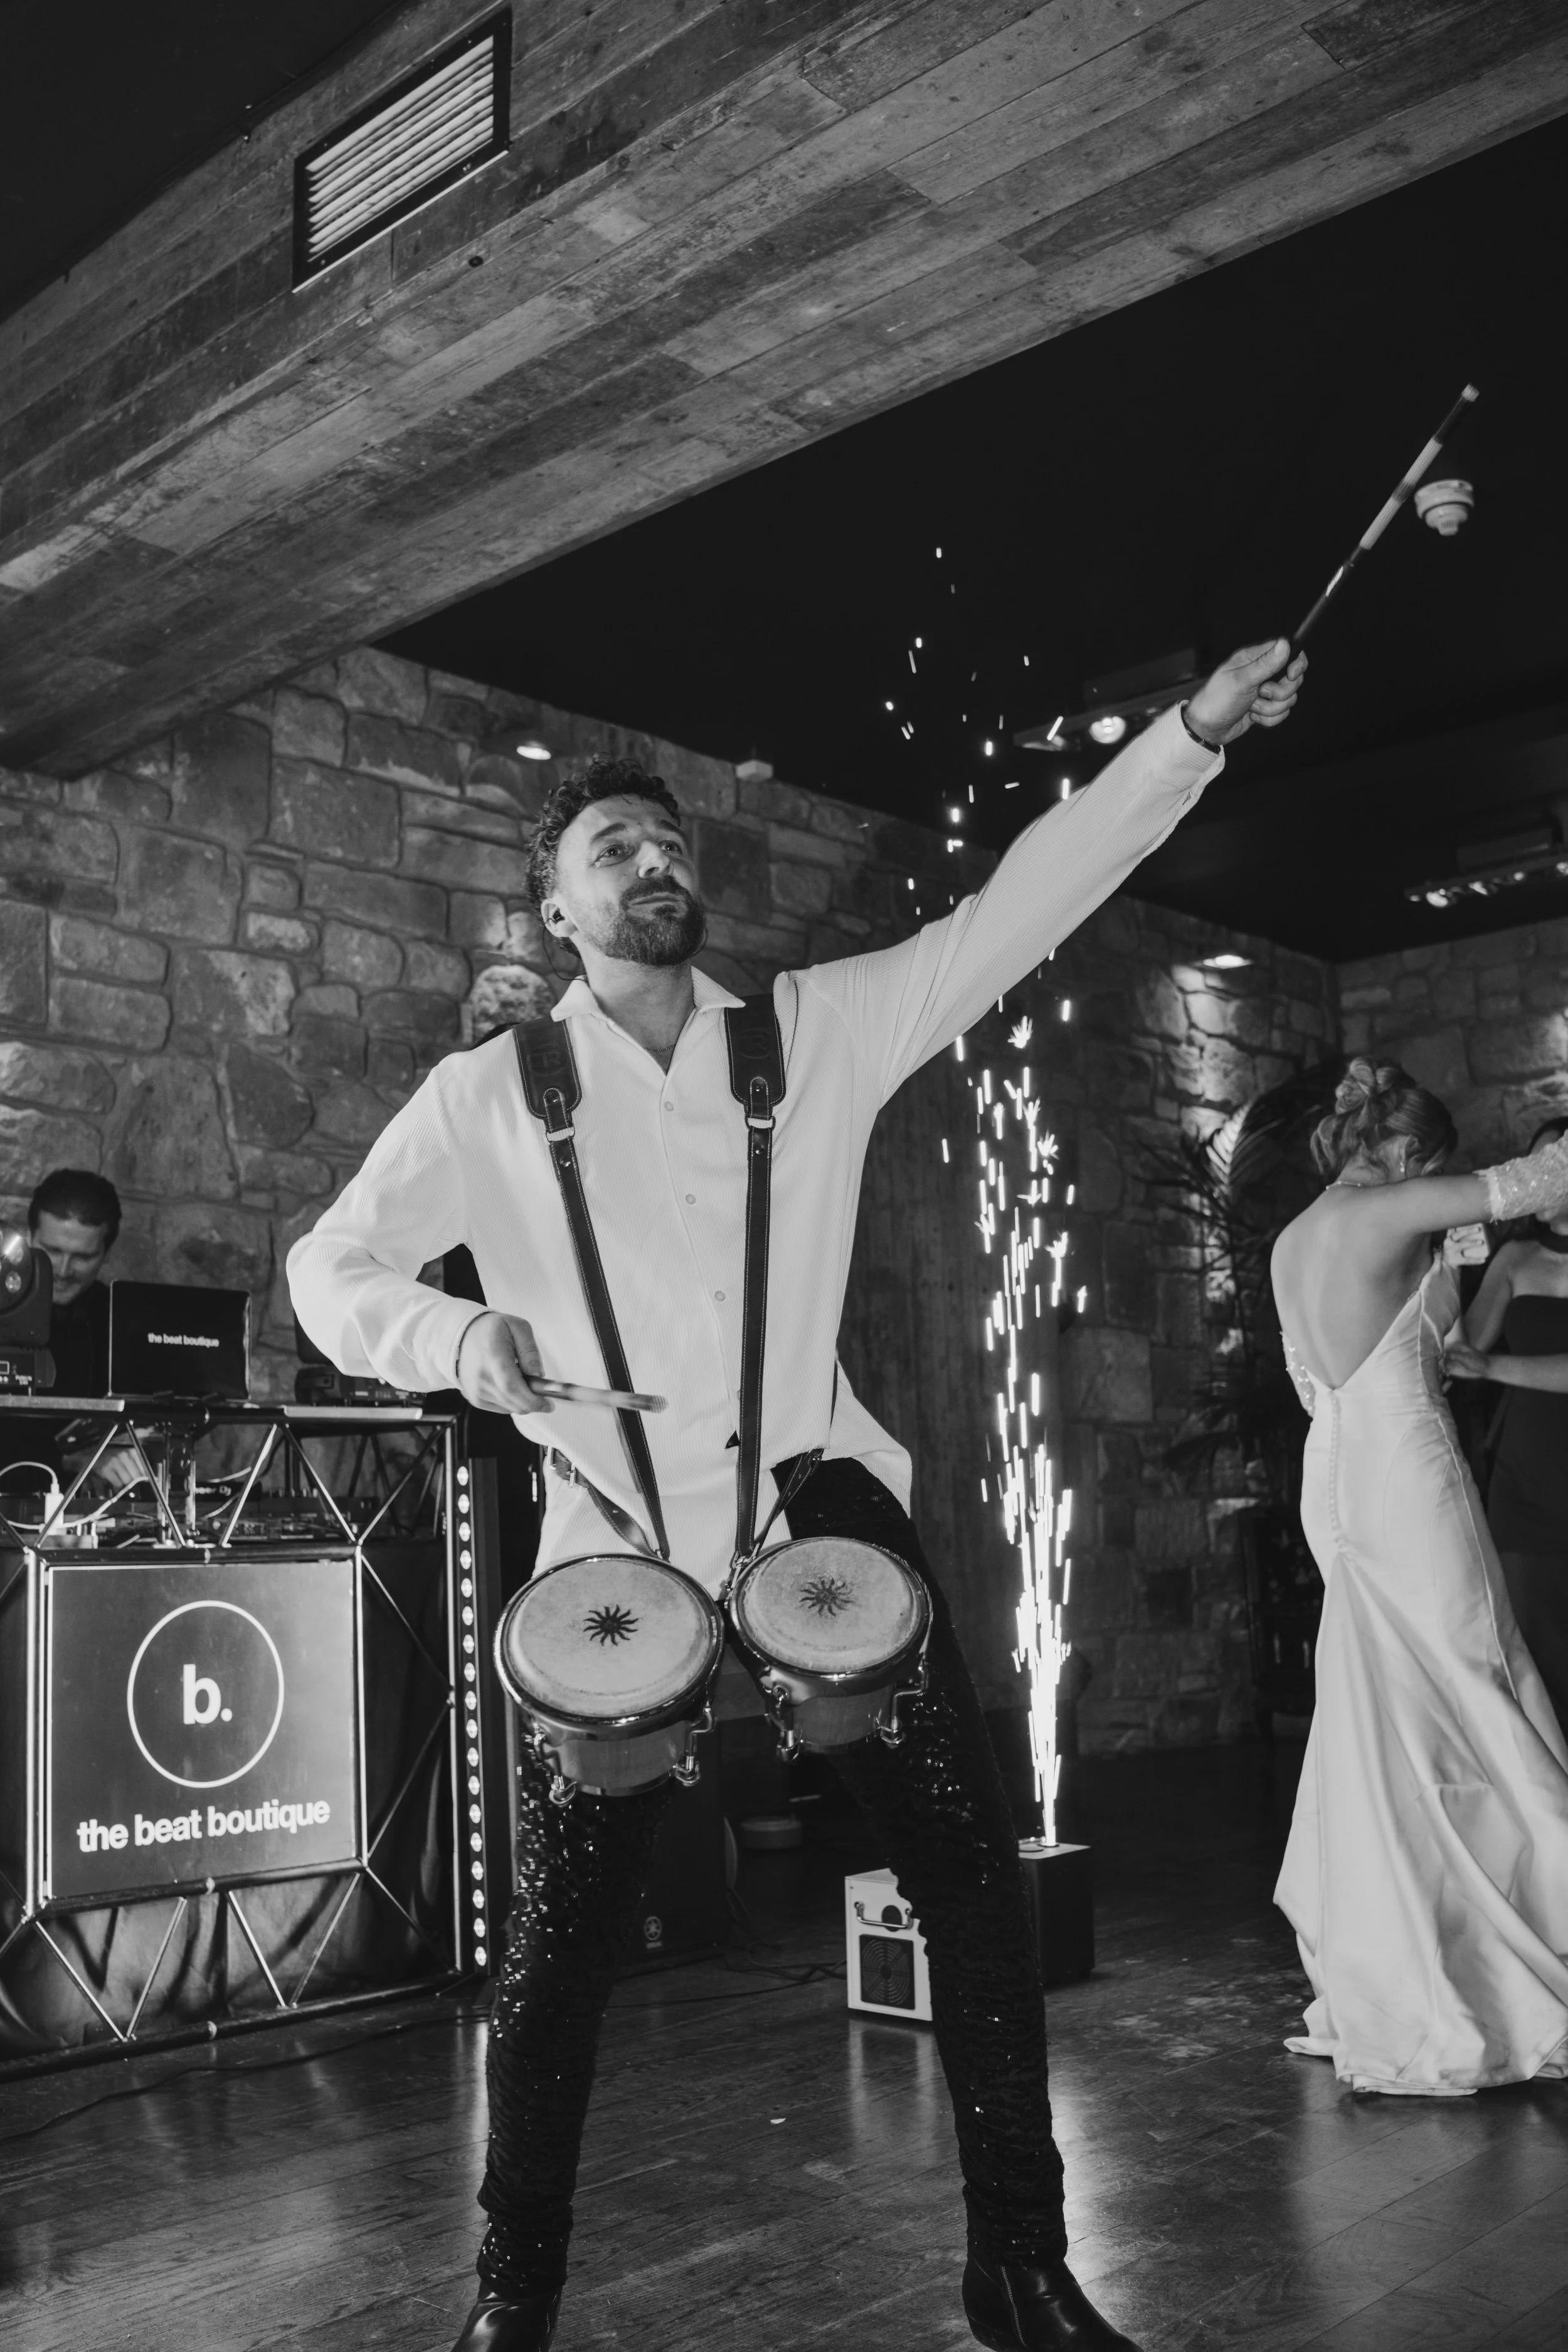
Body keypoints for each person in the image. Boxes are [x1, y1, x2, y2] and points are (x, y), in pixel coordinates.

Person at [290, 640, 1306, 2352]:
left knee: (974, 1886)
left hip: (812, 1504)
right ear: (553, 910)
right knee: (554, 1957)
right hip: (611, 1536)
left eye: (664, 836)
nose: (648, 857)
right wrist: (458, 1332)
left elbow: (1016, 908)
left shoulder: (816, 1032)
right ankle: (509, 2296)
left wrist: (1186, 737)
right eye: (609, 844)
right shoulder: (484, 1096)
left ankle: (1018, 2264)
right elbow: (328, 1268)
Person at [1271, 1061, 1568, 2097]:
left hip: (1337, 1478)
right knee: (1473, 1677)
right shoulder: (1390, 1209)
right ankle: (1532, 1934)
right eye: (1431, 1165)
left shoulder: (1298, 1237)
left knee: (1388, 1709)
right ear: (1404, 1155)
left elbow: (1445, 1263)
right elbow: (1537, 1184)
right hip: (1404, 1470)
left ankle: (1413, 1953)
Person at [1445, 1115, 1568, 1736]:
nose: (1536, 1183)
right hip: (1528, 1482)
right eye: (1532, 1170)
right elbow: (1461, 1355)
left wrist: (1495, 1366)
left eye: (1551, 1169)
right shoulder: (1516, 1259)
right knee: (1539, 1668)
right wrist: (1443, 1267)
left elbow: (1487, 1363)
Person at [0, 1168, 120, 1496]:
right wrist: (72, 1460)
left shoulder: (117, 1318)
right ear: (30, 1238)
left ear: (106, 1253)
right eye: (52, 1251)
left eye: (83, 1257)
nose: (64, 1271)